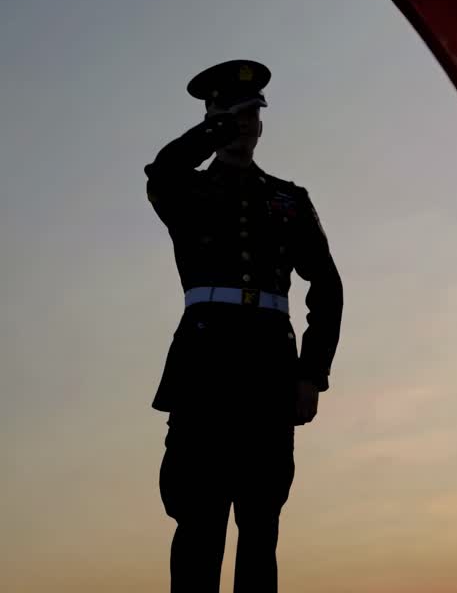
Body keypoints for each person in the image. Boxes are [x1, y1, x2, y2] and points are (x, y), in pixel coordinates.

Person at [145, 59, 344, 592]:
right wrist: (214, 130)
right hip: (204, 372)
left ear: (262, 122)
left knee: (261, 527)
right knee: (199, 525)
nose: (244, 123)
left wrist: (311, 374)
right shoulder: (186, 191)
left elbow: (327, 286)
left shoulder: (288, 199)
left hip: (269, 374)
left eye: (252, 113)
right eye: (231, 112)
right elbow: (159, 173)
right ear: (211, 117)